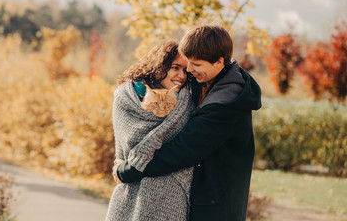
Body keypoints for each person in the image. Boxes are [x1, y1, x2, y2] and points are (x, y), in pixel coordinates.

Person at [114, 24, 262, 221]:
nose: (189, 71)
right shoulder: (210, 80)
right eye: (187, 63)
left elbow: (182, 150)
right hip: (204, 199)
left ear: (219, 62)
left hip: (215, 206)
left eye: (196, 65)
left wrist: (125, 171)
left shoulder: (226, 102)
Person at [105, 41, 196, 221]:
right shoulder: (125, 98)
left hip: (171, 195)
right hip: (129, 192)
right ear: (159, 65)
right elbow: (124, 143)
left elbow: (183, 150)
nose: (181, 75)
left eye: (185, 70)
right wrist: (123, 163)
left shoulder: (188, 102)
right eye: (175, 67)